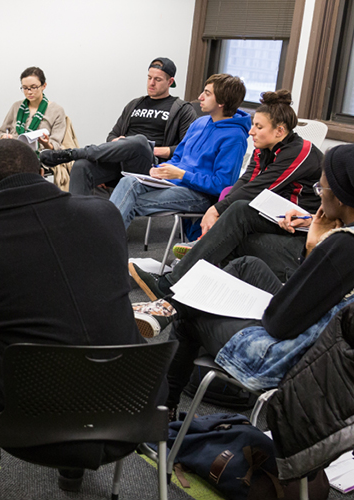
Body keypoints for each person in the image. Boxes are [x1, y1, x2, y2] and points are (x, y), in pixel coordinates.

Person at [0, 139, 145, 491]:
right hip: (128, 408)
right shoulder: (105, 214)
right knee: (86, 316)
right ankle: (73, 468)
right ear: (43, 173)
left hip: (24, 422)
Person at [148, 144, 354, 417]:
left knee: (193, 314)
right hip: (322, 348)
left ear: (339, 198)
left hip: (285, 358)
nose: (317, 193)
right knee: (248, 265)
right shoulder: (344, 240)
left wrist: (313, 248)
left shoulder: (341, 247)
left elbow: (279, 323)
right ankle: (171, 305)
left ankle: (160, 412)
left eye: (320, 188)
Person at [130, 90, 323, 301]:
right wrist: (220, 210)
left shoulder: (299, 152)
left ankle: (172, 281)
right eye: (253, 125)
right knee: (234, 210)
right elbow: (245, 181)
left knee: (238, 211)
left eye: (259, 127)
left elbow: (258, 187)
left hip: (302, 225)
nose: (251, 132)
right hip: (278, 214)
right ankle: (189, 285)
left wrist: (215, 210)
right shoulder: (265, 147)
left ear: (279, 131)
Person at [108, 74, 251, 230]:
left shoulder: (235, 137)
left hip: (200, 195)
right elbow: (178, 157)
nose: (200, 97)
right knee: (128, 182)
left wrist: (181, 174)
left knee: (129, 202)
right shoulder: (200, 122)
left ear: (222, 102)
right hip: (173, 183)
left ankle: (101, 245)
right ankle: (104, 245)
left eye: (207, 94)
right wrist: (160, 170)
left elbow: (222, 184)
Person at [40, 58, 197, 196]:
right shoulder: (135, 104)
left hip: (150, 166)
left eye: (157, 79)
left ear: (170, 82)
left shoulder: (182, 109)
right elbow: (112, 136)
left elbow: (187, 149)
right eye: (149, 78)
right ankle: (78, 222)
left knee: (140, 141)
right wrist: (117, 141)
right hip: (121, 162)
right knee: (82, 166)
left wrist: (152, 148)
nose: (151, 83)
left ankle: (72, 153)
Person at [0, 66, 66, 152]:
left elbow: (56, 145)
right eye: (25, 88)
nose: (29, 92)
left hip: (40, 158)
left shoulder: (56, 110)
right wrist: (4, 137)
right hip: (13, 153)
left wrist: (46, 144)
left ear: (44, 86)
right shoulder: (16, 106)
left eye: (34, 87)